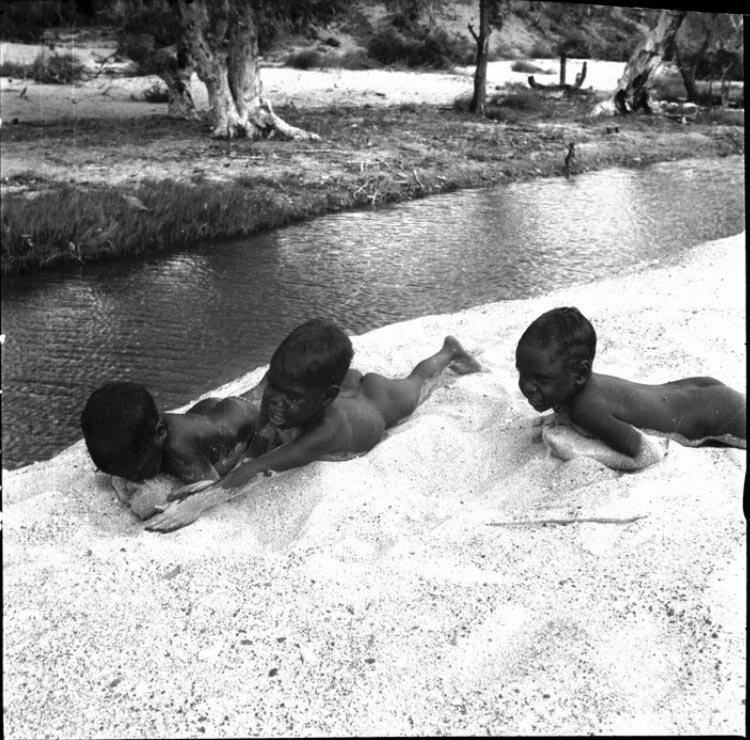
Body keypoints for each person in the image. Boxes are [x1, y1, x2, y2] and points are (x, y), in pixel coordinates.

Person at [146, 318, 482, 532]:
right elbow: (257, 448)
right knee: (287, 396)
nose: (275, 401)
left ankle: (449, 352)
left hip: (373, 404)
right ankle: (333, 383)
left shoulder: (326, 431)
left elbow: (265, 466)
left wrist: (196, 505)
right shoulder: (279, 397)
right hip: (337, 395)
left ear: (324, 397)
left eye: (290, 397)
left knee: (416, 385)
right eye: (272, 386)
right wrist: (213, 482)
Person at [515, 306, 746, 467]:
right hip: (699, 394)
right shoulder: (573, 387)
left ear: (581, 373)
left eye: (541, 379)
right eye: (521, 373)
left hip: (719, 414)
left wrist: (576, 450)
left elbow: (647, 452)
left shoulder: (586, 409)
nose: (527, 386)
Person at [81, 381, 264, 515]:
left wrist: (177, 506)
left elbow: (212, 488)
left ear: (160, 432)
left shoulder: (179, 449)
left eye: (139, 471)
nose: (134, 479)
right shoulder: (147, 437)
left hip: (243, 420)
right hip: (207, 412)